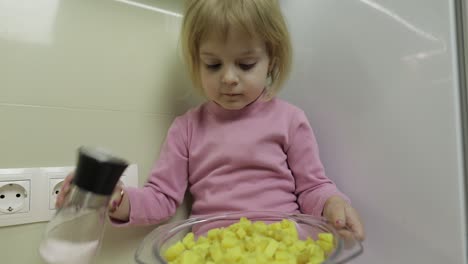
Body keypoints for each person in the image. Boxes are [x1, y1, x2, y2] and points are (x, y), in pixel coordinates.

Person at [57, 0, 365, 241]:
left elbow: (312, 187)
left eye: (246, 64)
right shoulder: (187, 128)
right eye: (213, 64)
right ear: (196, 61)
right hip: (216, 250)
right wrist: (114, 197)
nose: (229, 78)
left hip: (284, 246)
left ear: (272, 58)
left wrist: (332, 203)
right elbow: (161, 198)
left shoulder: (290, 120)